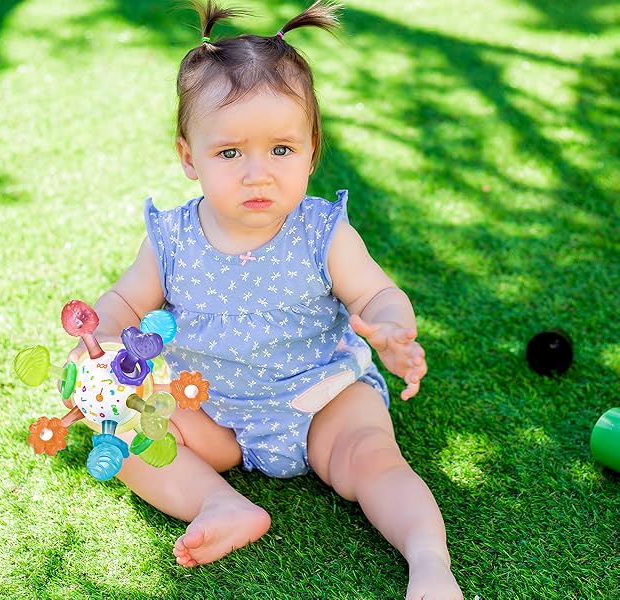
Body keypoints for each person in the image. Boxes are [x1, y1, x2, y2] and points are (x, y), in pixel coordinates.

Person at [68, 1, 463, 598]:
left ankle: (429, 561)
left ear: (310, 150)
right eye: (230, 153)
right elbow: (126, 301)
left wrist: (389, 328)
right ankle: (220, 504)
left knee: (374, 459)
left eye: (281, 149)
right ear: (188, 157)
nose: (258, 174)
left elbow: (379, 292)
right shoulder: (171, 238)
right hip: (210, 409)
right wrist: (101, 350)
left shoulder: (322, 233)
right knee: (120, 428)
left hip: (322, 398)